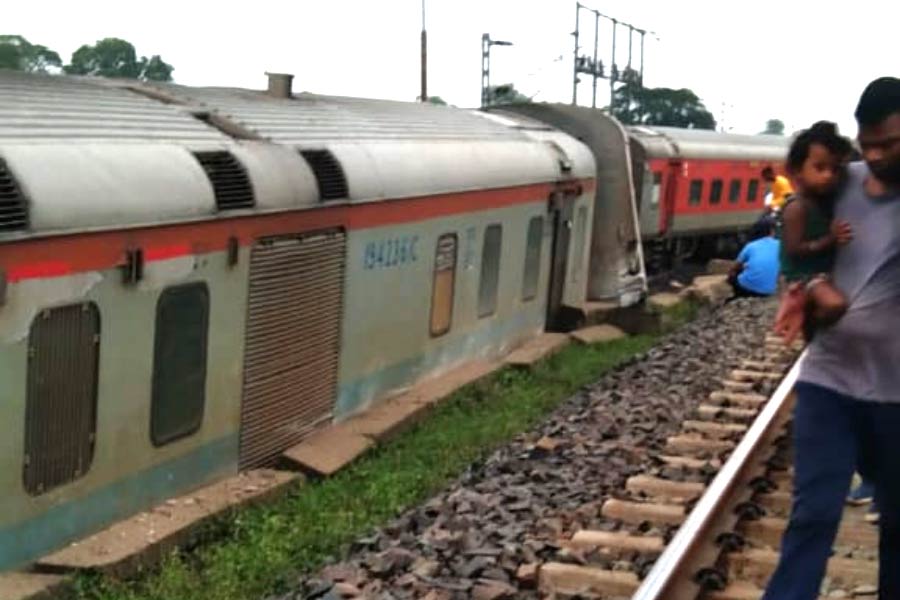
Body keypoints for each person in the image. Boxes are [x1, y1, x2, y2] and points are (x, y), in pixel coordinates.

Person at [762, 77, 900, 600]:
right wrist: (794, 289)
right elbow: (796, 248)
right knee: (813, 514)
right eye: (869, 145)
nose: (876, 156)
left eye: (890, 144)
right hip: (830, 379)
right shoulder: (840, 183)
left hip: (895, 395)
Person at [773, 121, 854, 344]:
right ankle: (808, 314)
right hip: (802, 277)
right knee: (836, 305)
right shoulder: (797, 208)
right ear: (797, 169)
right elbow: (795, 249)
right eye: (819, 168)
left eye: (834, 169)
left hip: (820, 273)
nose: (828, 175)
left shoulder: (824, 202)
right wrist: (831, 239)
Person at [727, 221, 780, 298]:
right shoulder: (780, 245)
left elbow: (735, 267)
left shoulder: (751, 245)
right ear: (771, 231)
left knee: (733, 276)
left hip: (747, 289)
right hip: (769, 290)